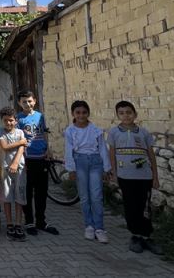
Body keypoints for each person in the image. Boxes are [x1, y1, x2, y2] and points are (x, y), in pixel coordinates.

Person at [108, 101, 162, 255]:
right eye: (122, 113)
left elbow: (151, 155)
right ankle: (135, 236)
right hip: (126, 177)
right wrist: (114, 173)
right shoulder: (114, 133)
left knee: (145, 206)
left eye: (129, 112)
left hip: (144, 176)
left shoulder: (143, 133)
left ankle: (147, 236)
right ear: (118, 115)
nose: (126, 116)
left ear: (135, 114)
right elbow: (112, 153)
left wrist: (155, 177)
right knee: (130, 206)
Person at [64, 100, 111, 244]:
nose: (81, 115)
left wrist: (106, 168)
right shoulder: (70, 131)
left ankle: (100, 228)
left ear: (88, 113)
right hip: (80, 162)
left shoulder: (96, 130)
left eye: (84, 112)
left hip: (95, 162)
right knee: (84, 196)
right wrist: (71, 169)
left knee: (96, 196)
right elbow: (68, 150)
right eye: (78, 113)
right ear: (73, 114)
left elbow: (103, 148)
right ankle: (89, 226)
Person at [17, 90, 58, 236]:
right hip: (28, 160)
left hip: (42, 158)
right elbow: (18, 140)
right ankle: (29, 222)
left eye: (29, 101)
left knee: (42, 192)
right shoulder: (18, 119)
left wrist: (49, 149)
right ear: (19, 103)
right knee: (28, 193)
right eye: (24, 102)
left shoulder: (41, 116)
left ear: (34, 101)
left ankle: (41, 221)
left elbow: (44, 133)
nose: (27, 104)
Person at [0, 107, 27, 242]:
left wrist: (15, 163)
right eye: (5, 120)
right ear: (2, 121)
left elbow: (21, 149)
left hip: (19, 168)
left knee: (19, 195)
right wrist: (21, 142)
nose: (8, 123)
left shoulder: (20, 132)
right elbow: (4, 147)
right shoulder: (0, 132)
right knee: (7, 197)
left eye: (11, 120)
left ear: (16, 120)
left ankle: (18, 224)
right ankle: (9, 223)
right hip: (5, 169)